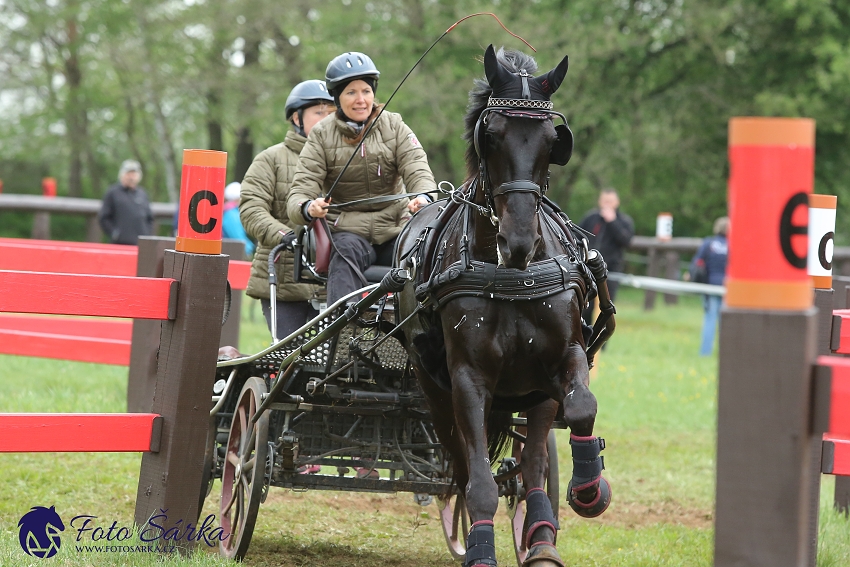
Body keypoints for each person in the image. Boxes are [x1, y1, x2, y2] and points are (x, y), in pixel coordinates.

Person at [286, 51, 436, 305]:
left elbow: (418, 169)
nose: (361, 100)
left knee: (425, 255)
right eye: (351, 93)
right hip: (348, 233)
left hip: (395, 228)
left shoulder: (395, 125)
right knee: (345, 253)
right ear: (337, 98)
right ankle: (343, 328)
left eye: (366, 91)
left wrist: (423, 197)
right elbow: (299, 193)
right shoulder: (322, 134)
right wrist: (308, 206)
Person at [240, 79, 336, 339]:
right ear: (296, 117)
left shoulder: (346, 160)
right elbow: (251, 209)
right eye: (319, 112)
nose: (326, 119)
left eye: (332, 113)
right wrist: (285, 236)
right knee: (291, 361)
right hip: (284, 283)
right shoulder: (270, 159)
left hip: (335, 283)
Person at [579, 188, 635, 323]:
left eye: (610, 201)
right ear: (599, 201)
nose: (607, 204)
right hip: (589, 269)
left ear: (617, 202)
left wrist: (612, 222)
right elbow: (577, 236)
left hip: (611, 270)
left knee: (607, 307)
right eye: (605, 201)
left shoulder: (624, 221)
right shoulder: (590, 218)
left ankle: (602, 341)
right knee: (586, 306)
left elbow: (626, 241)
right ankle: (585, 337)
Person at [691, 216, 729, 356]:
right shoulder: (734, 245)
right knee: (726, 321)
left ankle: (705, 352)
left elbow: (698, 262)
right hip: (728, 288)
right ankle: (725, 353)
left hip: (710, 287)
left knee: (710, 319)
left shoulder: (709, 243)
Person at [98, 159, 153, 245]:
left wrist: (146, 234)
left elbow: (149, 218)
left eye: (134, 174)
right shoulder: (113, 193)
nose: (131, 177)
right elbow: (104, 217)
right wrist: (114, 234)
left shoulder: (142, 194)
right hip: (120, 244)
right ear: (122, 175)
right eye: (128, 174)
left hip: (140, 244)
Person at [221, 182, 255, 258]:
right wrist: (249, 249)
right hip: (233, 255)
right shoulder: (231, 214)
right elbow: (238, 238)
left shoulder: (230, 212)